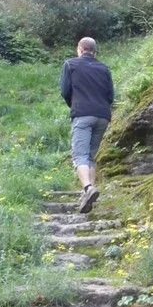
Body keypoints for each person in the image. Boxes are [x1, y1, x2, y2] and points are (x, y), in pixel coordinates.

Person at [60, 37, 114, 213]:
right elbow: (111, 96)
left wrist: (75, 105)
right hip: (103, 116)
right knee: (90, 156)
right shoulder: (104, 68)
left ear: (80, 49)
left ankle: (88, 188)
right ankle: (89, 195)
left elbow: (65, 91)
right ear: (94, 51)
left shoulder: (70, 65)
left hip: (83, 114)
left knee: (80, 155)